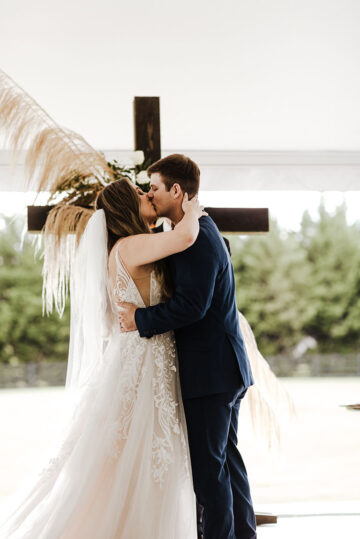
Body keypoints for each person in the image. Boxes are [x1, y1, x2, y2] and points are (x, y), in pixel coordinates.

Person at [0, 177, 206, 538]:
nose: (147, 195)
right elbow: (185, 237)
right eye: (140, 193)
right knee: (143, 454)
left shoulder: (121, 250)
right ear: (128, 206)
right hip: (145, 361)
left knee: (125, 457)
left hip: (137, 356)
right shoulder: (132, 246)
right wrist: (191, 208)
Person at [118, 154, 257, 539]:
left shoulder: (196, 239)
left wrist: (140, 319)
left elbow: (192, 307)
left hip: (211, 373)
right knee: (227, 463)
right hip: (224, 368)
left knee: (210, 473)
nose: (150, 194)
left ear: (176, 191)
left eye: (155, 188)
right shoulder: (199, 231)